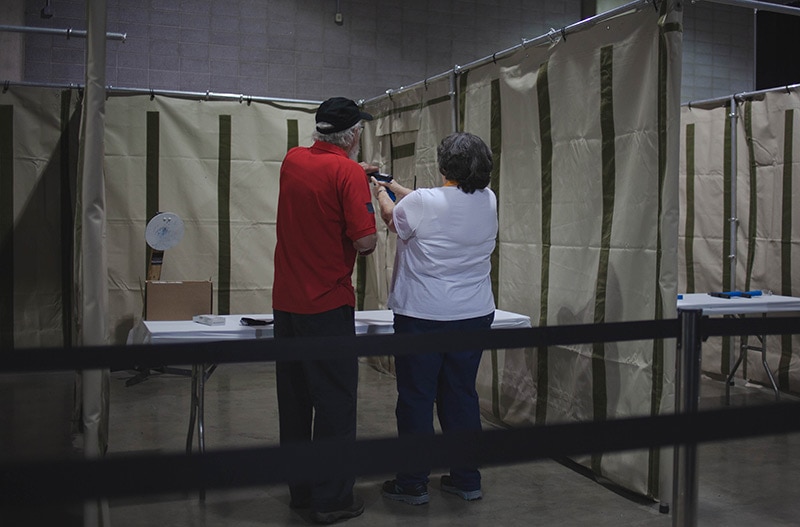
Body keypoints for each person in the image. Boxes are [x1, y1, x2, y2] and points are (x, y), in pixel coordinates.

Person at [371, 132, 498, 505]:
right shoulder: (488, 200)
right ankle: (466, 478)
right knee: (461, 395)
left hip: (422, 316)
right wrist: (393, 183)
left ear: (444, 167)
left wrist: (380, 192)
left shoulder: (425, 202)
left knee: (416, 397)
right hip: (473, 315)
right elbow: (436, 204)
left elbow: (394, 218)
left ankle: (412, 482)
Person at [272, 97, 377, 524]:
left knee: (295, 401)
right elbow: (365, 242)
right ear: (353, 136)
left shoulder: (293, 160)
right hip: (328, 305)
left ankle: (300, 493)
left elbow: (321, 186)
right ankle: (332, 500)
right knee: (334, 404)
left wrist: (353, 177)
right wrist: (360, 185)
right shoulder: (348, 173)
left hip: (287, 303)